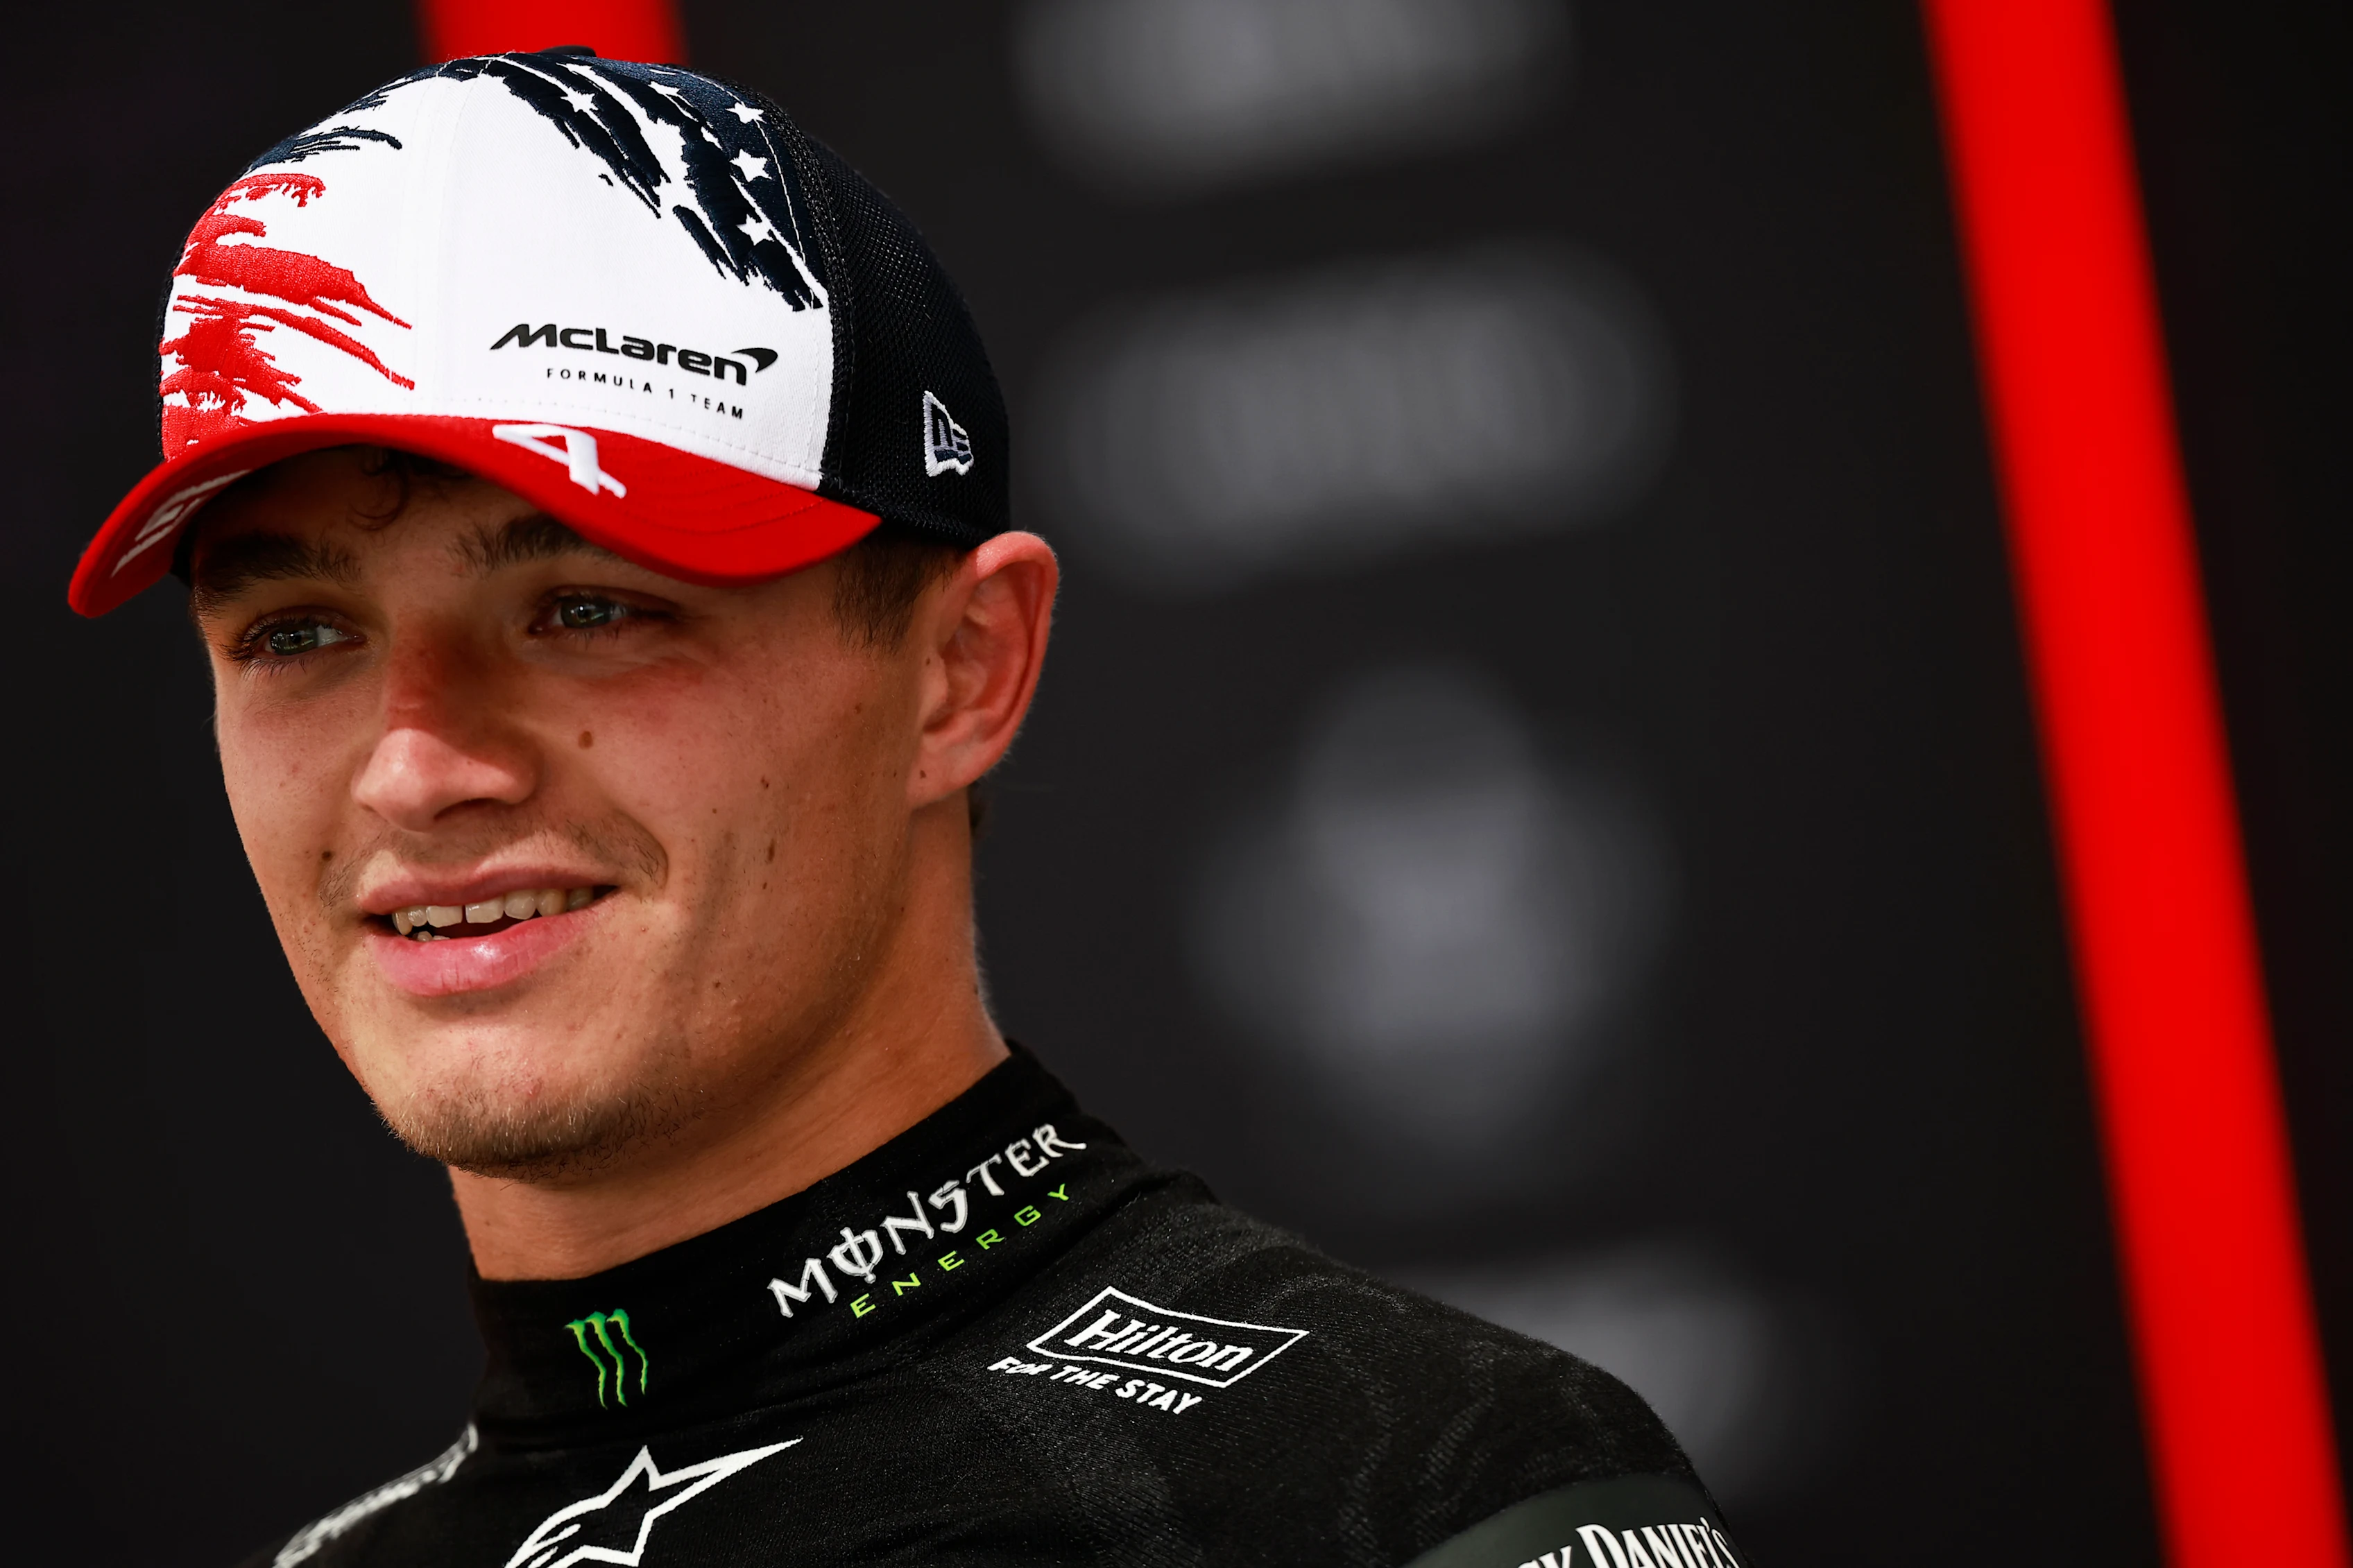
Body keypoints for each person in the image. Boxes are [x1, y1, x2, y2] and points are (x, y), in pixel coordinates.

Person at [74, 46, 1745, 1568]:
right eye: (297, 633)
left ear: (962, 668)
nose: (417, 764)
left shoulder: (1423, 1494)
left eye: (587, 605)